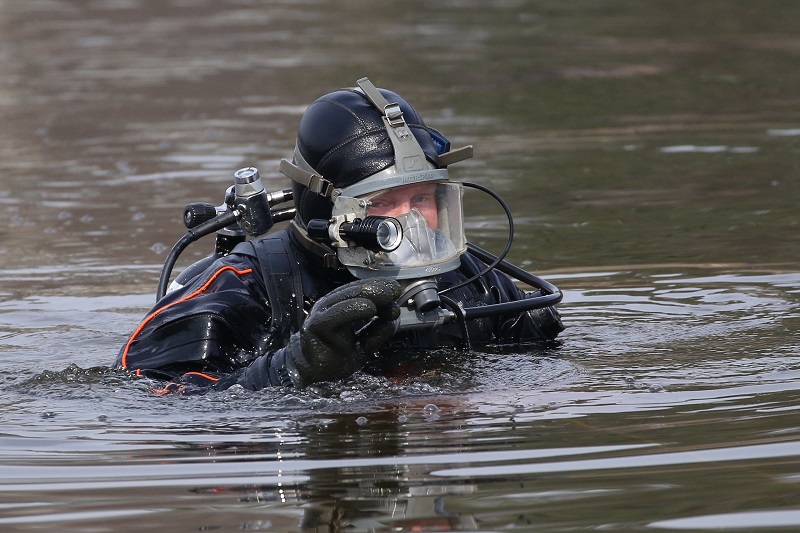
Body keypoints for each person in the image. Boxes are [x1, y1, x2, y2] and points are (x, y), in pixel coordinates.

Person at [115, 77, 564, 393]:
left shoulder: (474, 280)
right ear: (330, 209)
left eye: (424, 199)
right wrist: (292, 369)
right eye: (383, 203)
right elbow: (144, 399)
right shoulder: (243, 284)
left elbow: (542, 372)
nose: (412, 224)